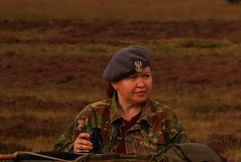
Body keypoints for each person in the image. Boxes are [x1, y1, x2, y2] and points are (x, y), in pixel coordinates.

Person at [54, 45, 189, 154]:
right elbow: (56, 154)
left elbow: (187, 161)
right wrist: (73, 149)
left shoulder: (164, 117)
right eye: (132, 78)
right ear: (114, 84)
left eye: (146, 76)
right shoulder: (93, 114)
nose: (141, 84)